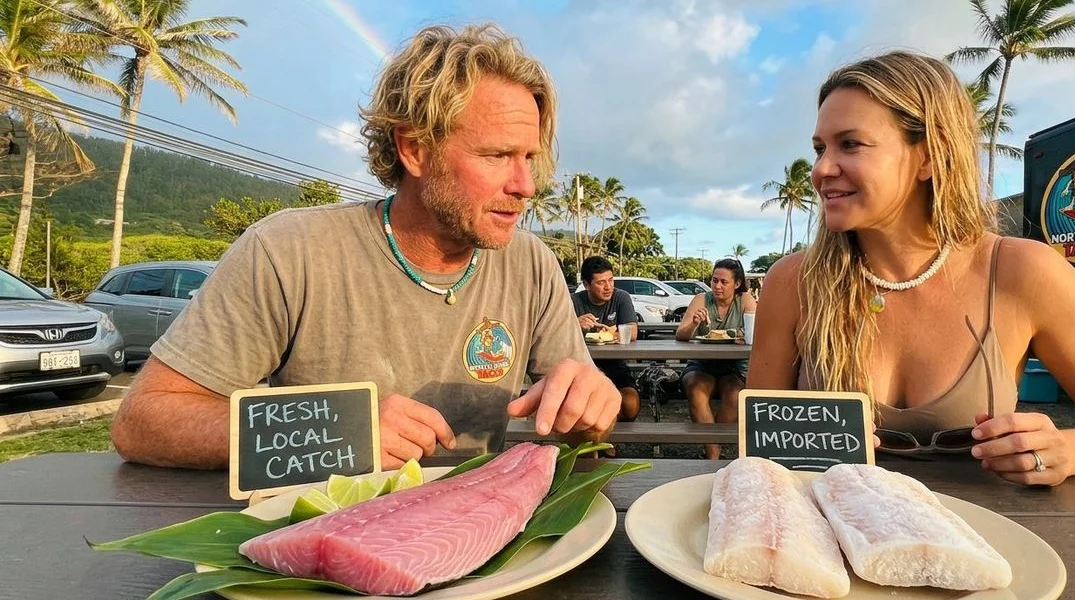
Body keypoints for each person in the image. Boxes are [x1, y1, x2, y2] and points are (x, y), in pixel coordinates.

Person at [109, 23, 621, 470]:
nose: (526, 184)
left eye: (528, 157)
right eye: (496, 155)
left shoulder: (530, 263)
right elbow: (145, 419)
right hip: (331, 539)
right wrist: (338, 430)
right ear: (415, 149)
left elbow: (577, 432)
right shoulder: (291, 250)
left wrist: (590, 411)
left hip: (483, 540)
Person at [747, 51, 1075, 486]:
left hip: (988, 542)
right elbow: (760, 455)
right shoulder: (793, 283)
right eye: (820, 148)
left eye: (851, 144)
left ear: (929, 157)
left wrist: (1069, 450)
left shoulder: (1023, 272)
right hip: (831, 543)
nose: (821, 169)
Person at [676, 258, 757, 459]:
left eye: (724, 282)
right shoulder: (702, 299)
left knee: (735, 395)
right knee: (696, 389)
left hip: (735, 366)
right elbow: (680, 335)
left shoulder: (745, 300)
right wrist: (694, 324)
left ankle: (714, 444)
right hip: (702, 364)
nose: (717, 286)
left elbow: (756, 334)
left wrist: (744, 336)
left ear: (737, 284)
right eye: (714, 280)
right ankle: (713, 452)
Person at [572, 256, 641, 422]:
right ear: (587, 284)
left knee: (631, 405)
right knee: (593, 403)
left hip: (615, 365)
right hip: (584, 367)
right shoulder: (573, 301)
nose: (608, 287)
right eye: (601, 282)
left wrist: (610, 333)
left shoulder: (620, 297)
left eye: (611, 280)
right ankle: (604, 445)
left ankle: (602, 437)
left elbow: (632, 332)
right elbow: (556, 336)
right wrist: (575, 324)